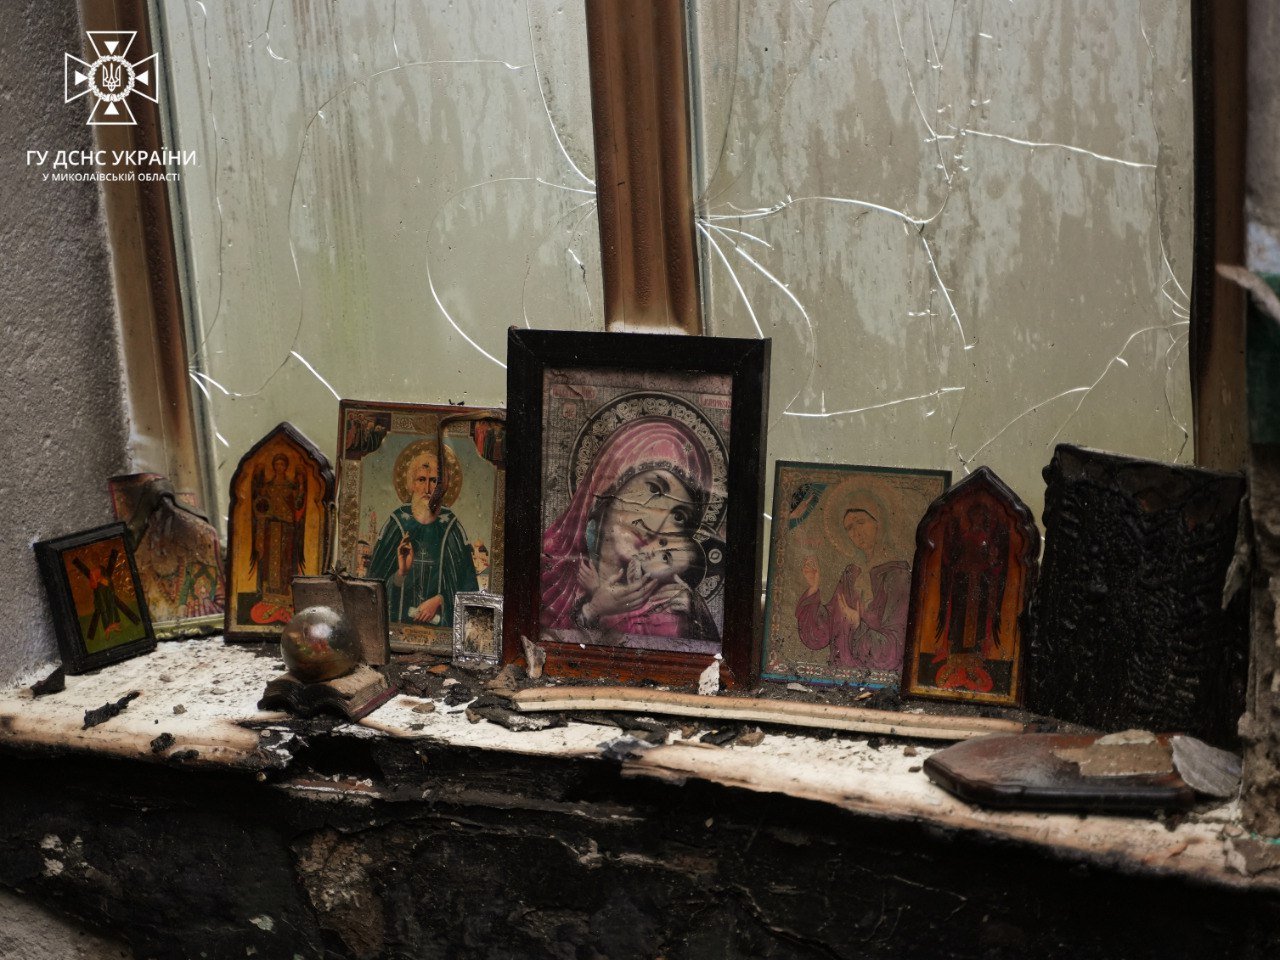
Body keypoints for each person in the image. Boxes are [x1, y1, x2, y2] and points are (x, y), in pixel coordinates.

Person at [540, 416, 720, 646]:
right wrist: (595, 606)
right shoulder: (549, 565)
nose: (656, 525)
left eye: (678, 516)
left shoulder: (674, 603)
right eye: (654, 489)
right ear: (611, 481)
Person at [795, 490, 910, 672]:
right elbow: (822, 634)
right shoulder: (851, 574)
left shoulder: (898, 576)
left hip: (876, 680)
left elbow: (895, 650)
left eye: (860, 522)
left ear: (878, 522)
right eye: (849, 528)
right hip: (839, 675)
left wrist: (858, 626)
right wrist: (813, 587)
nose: (856, 532)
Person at [366, 441, 478, 626]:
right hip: (397, 630)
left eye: (434, 481)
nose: (427, 489)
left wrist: (440, 600)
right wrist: (401, 573)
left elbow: (468, 589)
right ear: (411, 484)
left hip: (441, 632)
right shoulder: (396, 524)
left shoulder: (452, 528)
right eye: (421, 479)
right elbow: (372, 589)